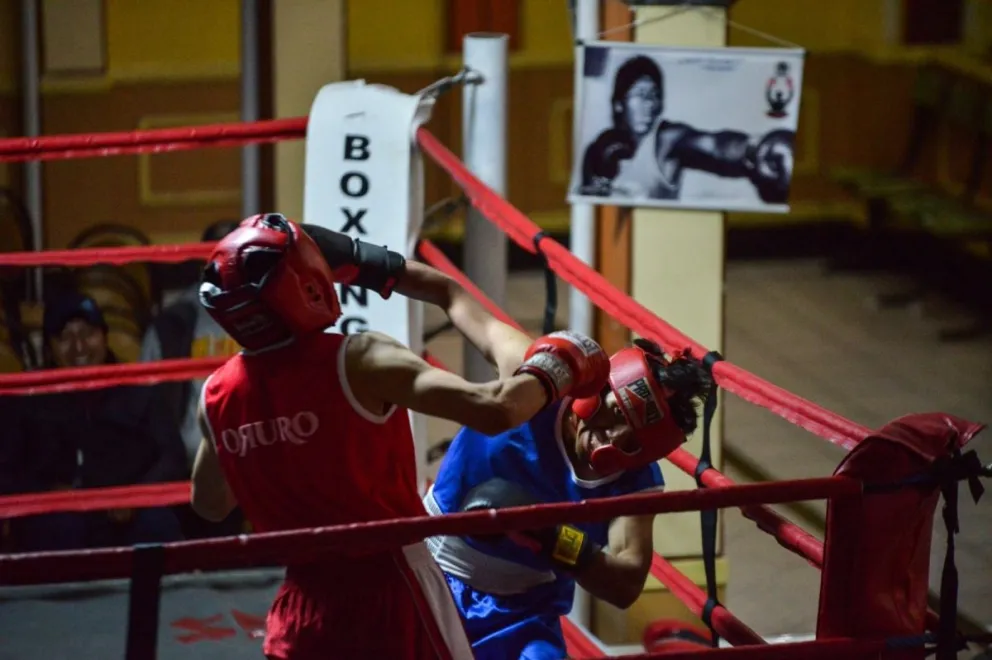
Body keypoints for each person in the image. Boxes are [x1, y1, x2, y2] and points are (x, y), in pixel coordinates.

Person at [188, 213, 612, 660]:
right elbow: (498, 408)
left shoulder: (217, 395)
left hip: (302, 609)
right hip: (392, 591)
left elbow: (209, 504)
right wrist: (559, 366)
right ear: (306, 281)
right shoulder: (358, 360)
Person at [423, 335, 712, 660]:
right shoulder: (536, 386)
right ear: (599, 391)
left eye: (633, 441)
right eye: (617, 414)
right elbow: (452, 295)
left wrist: (553, 535)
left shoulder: (634, 480)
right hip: (430, 569)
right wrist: (385, 280)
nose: (613, 438)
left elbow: (626, 584)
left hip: (522, 610)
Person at [2, 292, 187, 550]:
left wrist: (136, 495)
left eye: (87, 333)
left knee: (157, 523)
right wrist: (47, 495)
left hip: (129, 515)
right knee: (59, 526)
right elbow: (6, 473)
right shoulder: (27, 400)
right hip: (58, 521)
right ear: (49, 348)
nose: (79, 346)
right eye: (65, 337)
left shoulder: (140, 391)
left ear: (104, 336)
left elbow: (174, 457)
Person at [140, 219, 244, 539]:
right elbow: (144, 401)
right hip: (179, 464)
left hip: (247, 460)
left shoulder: (267, 313)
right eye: (218, 254)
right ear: (204, 261)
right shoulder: (174, 322)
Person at [579, 54, 795, 203]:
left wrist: (753, 150)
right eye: (641, 95)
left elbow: (712, 145)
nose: (650, 104)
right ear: (619, 103)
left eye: (655, 96)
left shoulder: (667, 139)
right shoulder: (600, 149)